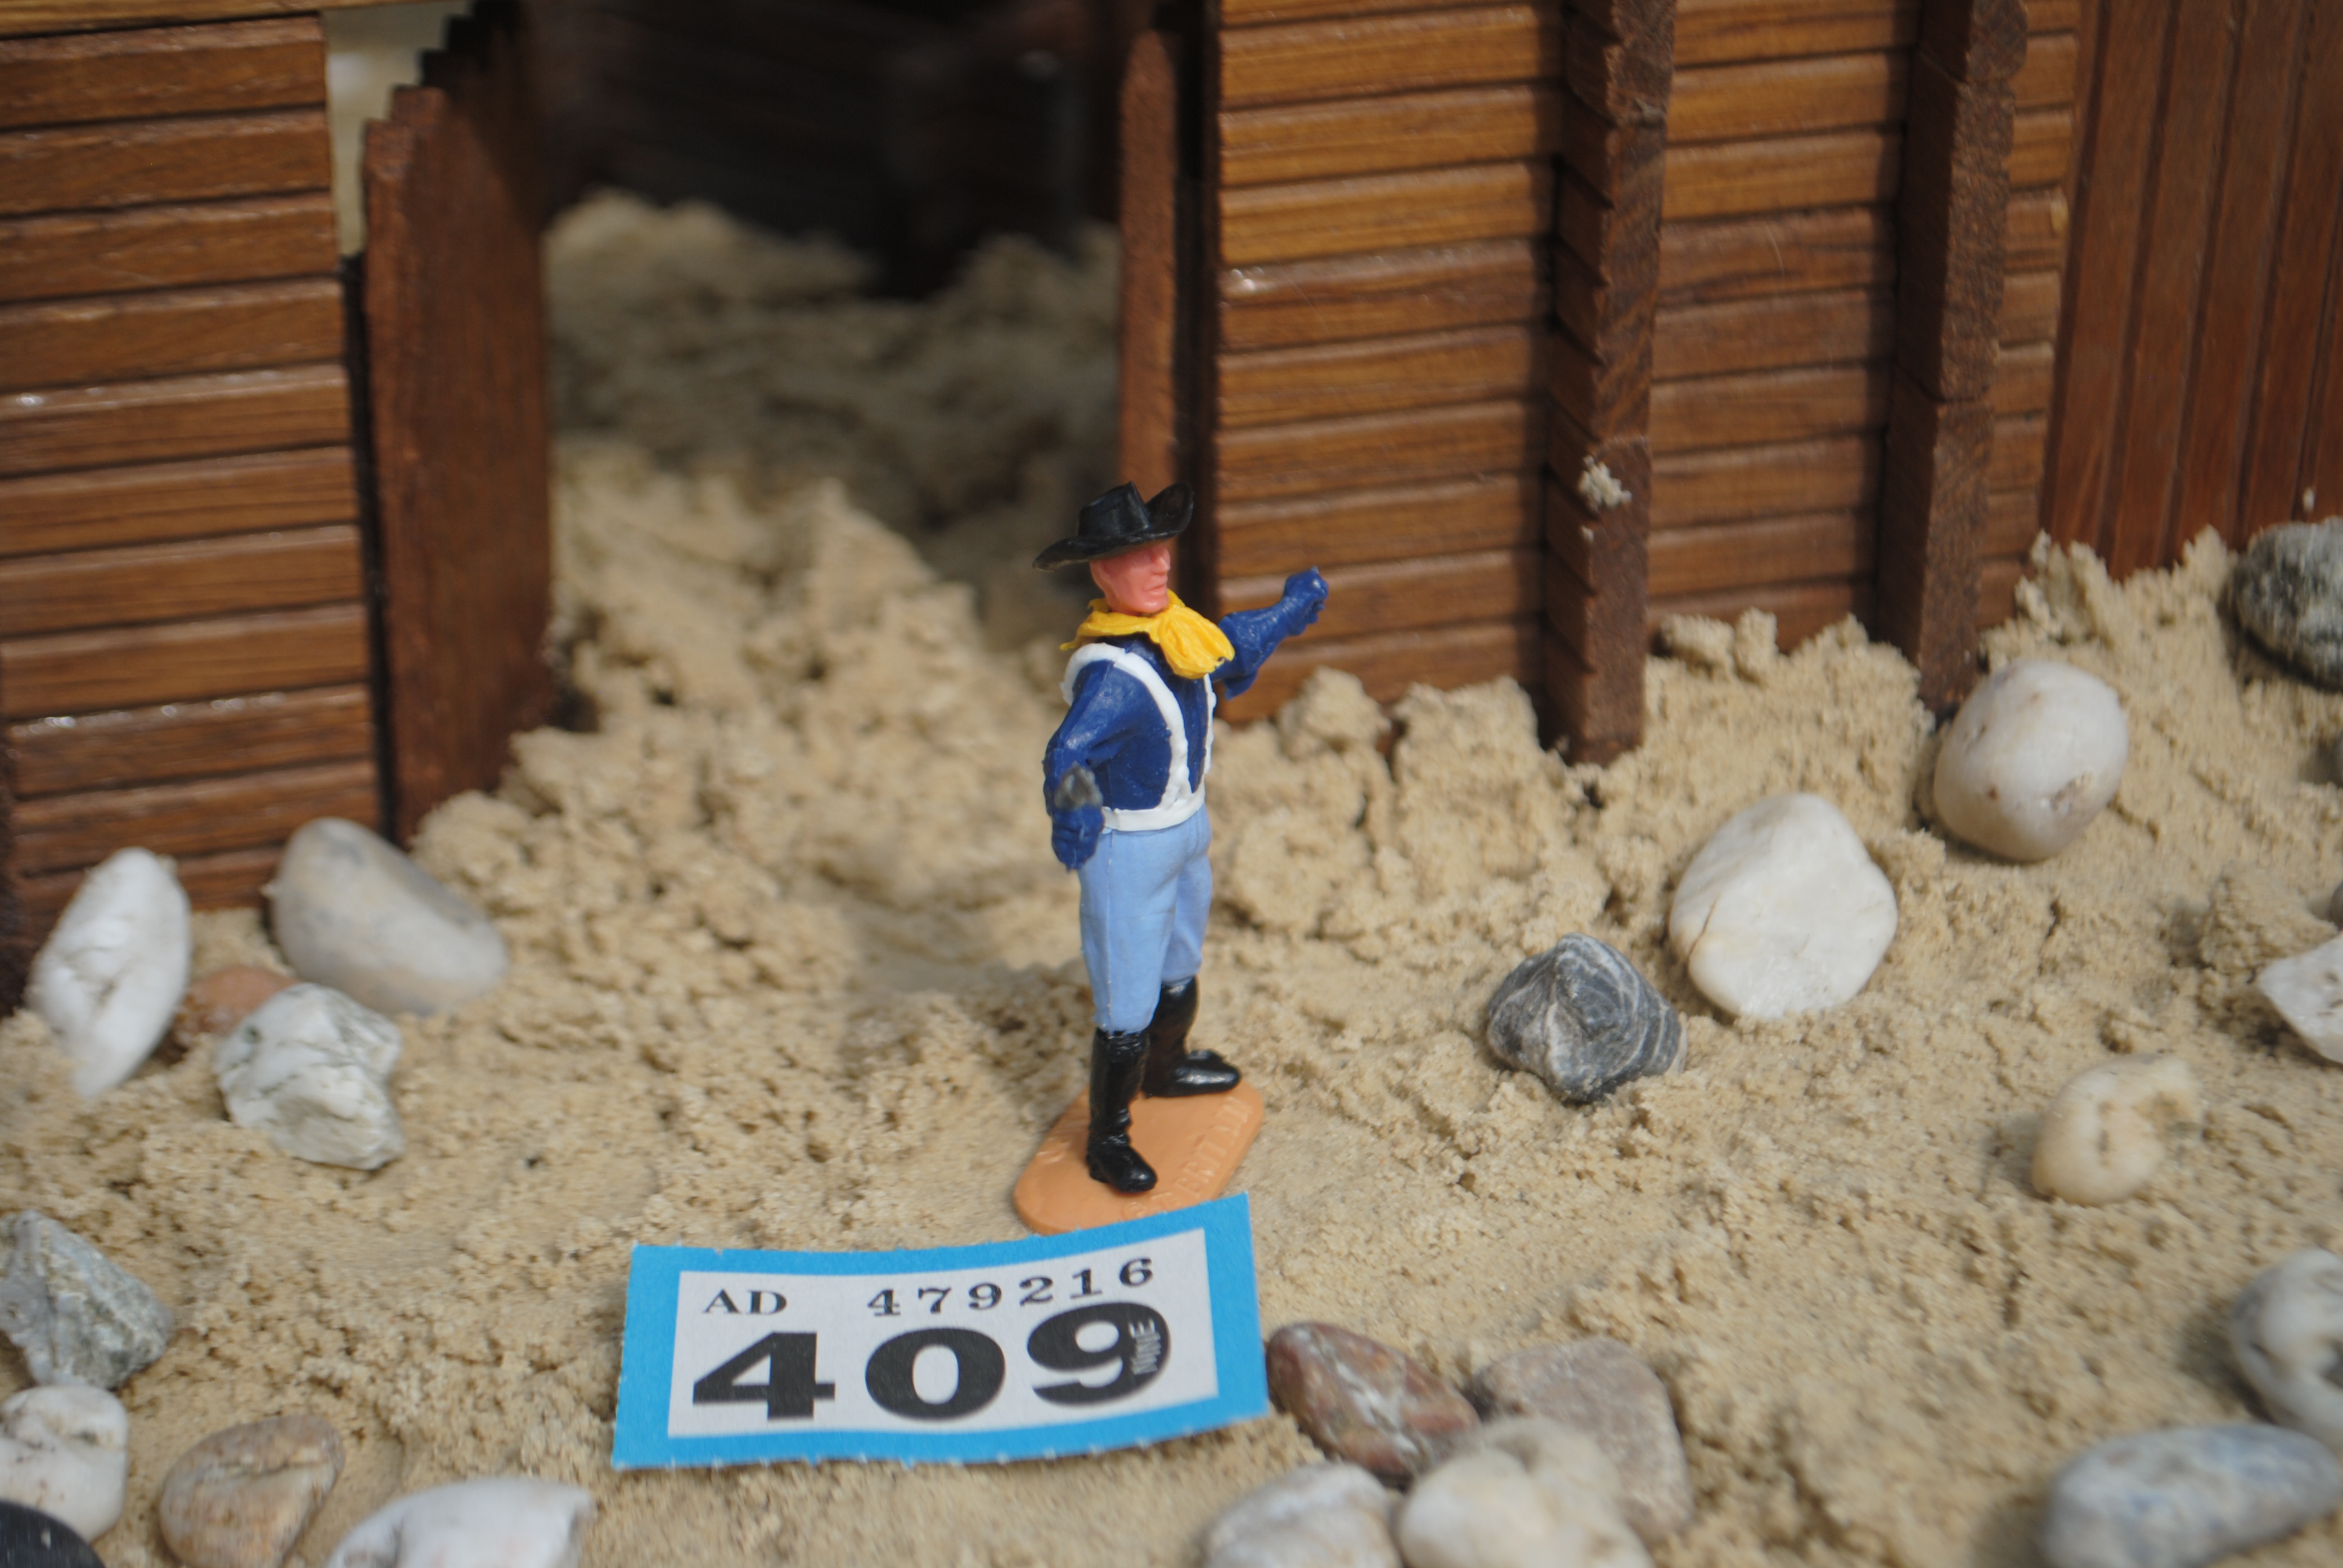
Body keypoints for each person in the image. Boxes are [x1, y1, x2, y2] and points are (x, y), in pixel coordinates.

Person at [1035, 480, 1327, 1192]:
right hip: (1129, 849)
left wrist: (1290, 610)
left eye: (1160, 548)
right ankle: (1108, 1136)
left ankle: (1167, 1067)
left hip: (1187, 830)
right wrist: (1074, 815)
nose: (1159, 563)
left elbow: (1235, 643)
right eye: (1138, 556)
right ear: (1103, 572)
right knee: (1125, 1006)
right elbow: (1066, 753)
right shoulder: (1112, 675)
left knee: (1180, 961)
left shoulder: (1179, 634)